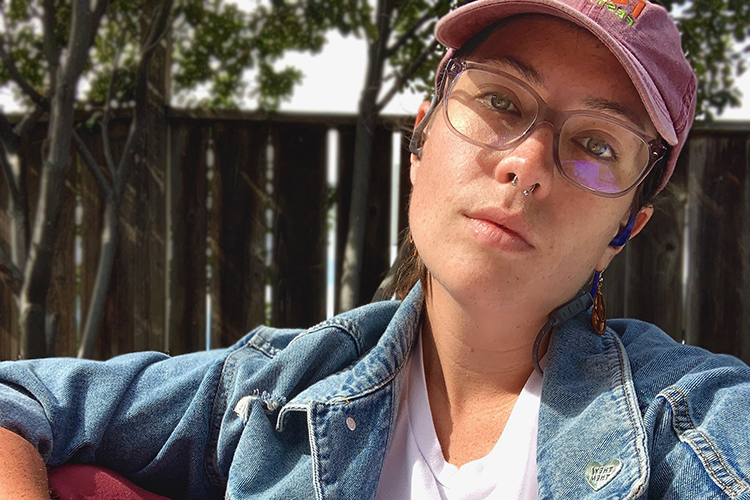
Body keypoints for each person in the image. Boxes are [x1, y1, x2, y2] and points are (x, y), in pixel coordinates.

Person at [2, 0, 750, 498]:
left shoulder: (693, 421)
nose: (526, 163)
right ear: (421, 140)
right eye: (499, 101)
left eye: (595, 144)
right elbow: (21, 398)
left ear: (626, 229)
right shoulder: (273, 389)